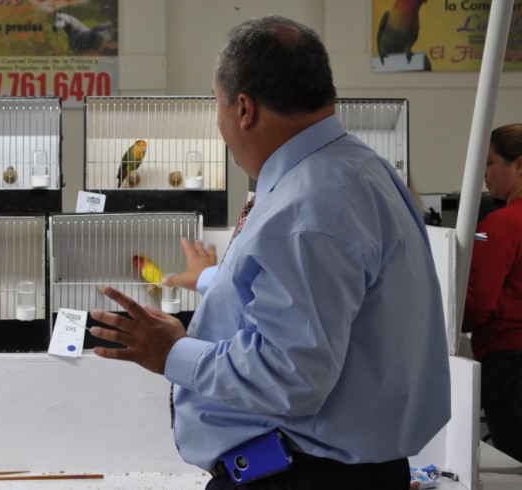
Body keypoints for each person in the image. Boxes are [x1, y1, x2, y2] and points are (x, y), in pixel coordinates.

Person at [90, 15, 451, 489]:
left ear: (243, 109)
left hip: (298, 476)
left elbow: (290, 375)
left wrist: (172, 353)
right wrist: (213, 281)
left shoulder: (309, 209)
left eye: (216, 106)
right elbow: (317, 311)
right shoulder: (359, 170)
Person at [463, 123, 522, 462]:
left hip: (509, 363)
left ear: (518, 165)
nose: (483, 173)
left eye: (489, 162)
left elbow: (478, 303)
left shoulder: (500, 224)